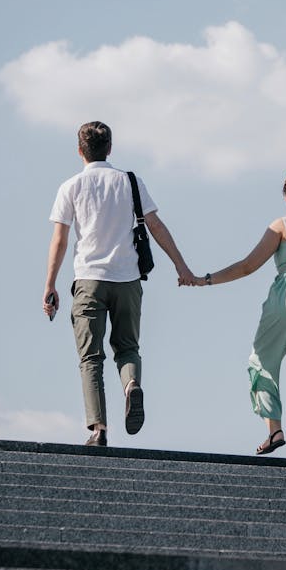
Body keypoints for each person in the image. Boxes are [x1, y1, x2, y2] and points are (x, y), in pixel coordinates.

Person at [43, 121, 193, 446]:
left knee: (90, 356)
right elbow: (156, 225)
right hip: (127, 280)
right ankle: (131, 386)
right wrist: (181, 266)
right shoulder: (131, 182)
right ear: (110, 148)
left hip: (89, 281)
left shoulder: (71, 187)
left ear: (79, 151)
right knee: (127, 348)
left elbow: (60, 239)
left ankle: (98, 429)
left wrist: (50, 284)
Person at [186, 171, 286, 470]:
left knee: (262, 360)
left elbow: (247, 266)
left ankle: (274, 429)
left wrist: (205, 280)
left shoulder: (280, 227)